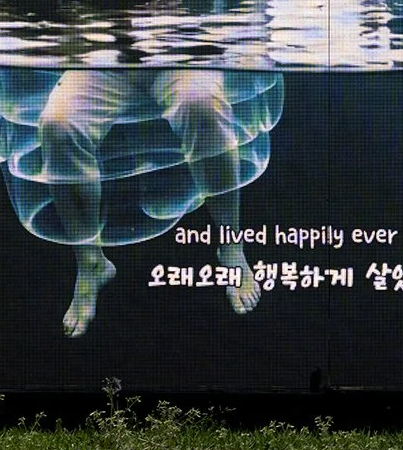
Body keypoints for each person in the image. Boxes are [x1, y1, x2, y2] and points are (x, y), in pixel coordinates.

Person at [31, 67, 263, 337]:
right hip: (106, 57)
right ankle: (89, 261)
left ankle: (231, 244)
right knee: (57, 124)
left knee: (202, 103)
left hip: (182, 53)